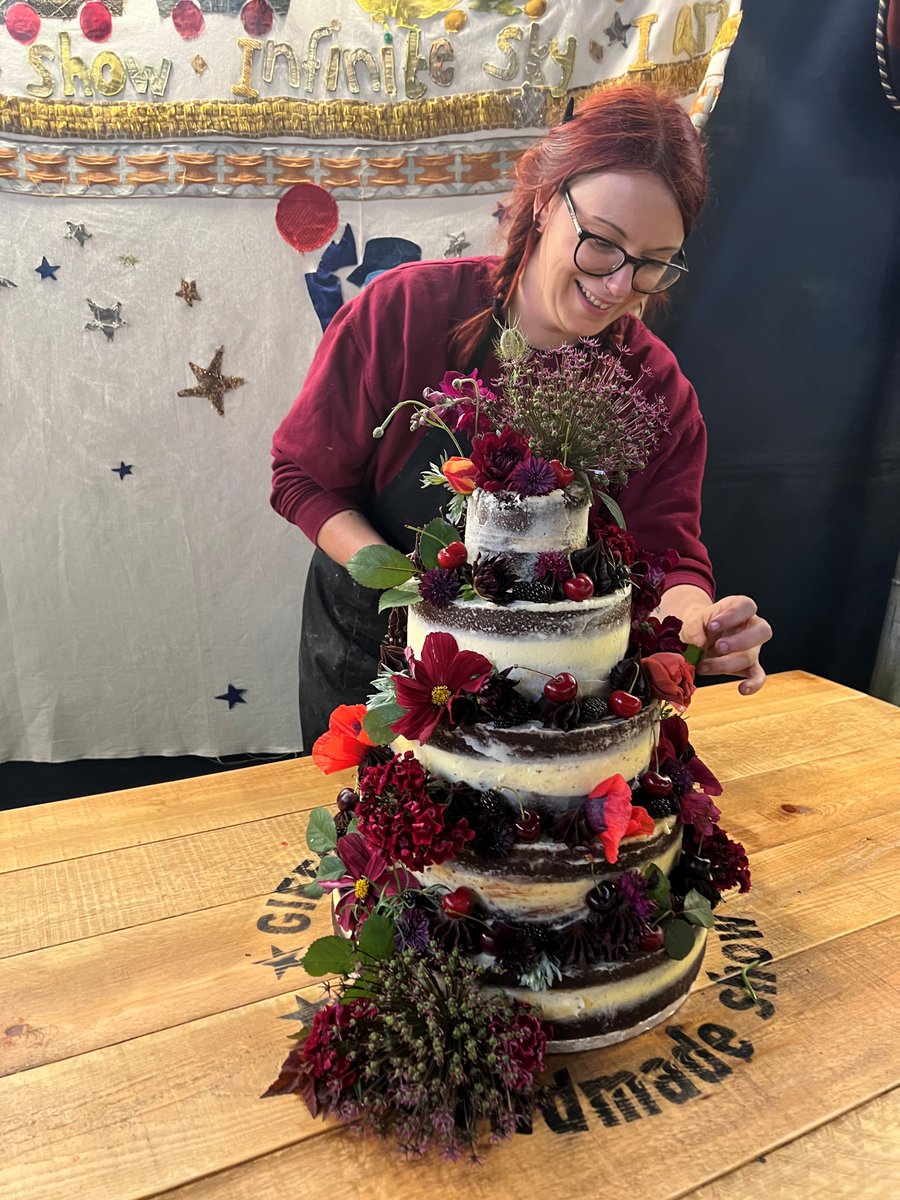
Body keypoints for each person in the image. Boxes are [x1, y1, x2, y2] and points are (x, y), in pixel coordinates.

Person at [271, 85, 773, 748]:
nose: (620, 286)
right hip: (368, 655)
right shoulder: (404, 312)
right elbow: (301, 479)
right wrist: (409, 587)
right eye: (603, 243)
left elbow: (669, 559)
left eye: (653, 264)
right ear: (543, 201)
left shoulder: (655, 390)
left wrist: (700, 624)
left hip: (541, 696)